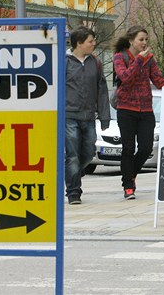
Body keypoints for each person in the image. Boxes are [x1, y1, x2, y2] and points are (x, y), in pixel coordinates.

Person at [113, 25, 164, 200]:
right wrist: (139, 61)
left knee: (146, 148)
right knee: (128, 148)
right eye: (141, 39)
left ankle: (131, 174)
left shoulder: (149, 59)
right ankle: (128, 186)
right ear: (131, 41)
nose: (144, 43)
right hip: (126, 109)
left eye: (146, 40)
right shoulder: (120, 57)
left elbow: (160, 83)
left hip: (146, 110)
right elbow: (125, 78)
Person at [65, 26, 111, 205]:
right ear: (79, 43)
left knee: (89, 152)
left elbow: (102, 90)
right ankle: (74, 192)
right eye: (90, 41)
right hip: (69, 115)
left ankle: (71, 171)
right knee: (73, 155)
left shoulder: (95, 62)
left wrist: (104, 116)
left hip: (89, 116)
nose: (94, 44)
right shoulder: (64, 62)